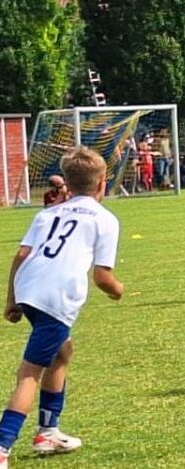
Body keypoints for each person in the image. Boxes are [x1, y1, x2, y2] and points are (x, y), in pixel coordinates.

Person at [0, 148, 124, 466]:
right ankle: (2, 446)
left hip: (28, 288)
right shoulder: (105, 219)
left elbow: (21, 255)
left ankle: (47, 432)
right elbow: (102, 277)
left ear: (66, 184)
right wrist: (117, 290)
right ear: (102, 184)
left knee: (62, 351)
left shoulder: (48, 212)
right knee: (30, 374)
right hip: (57, 297)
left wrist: (12, 299)